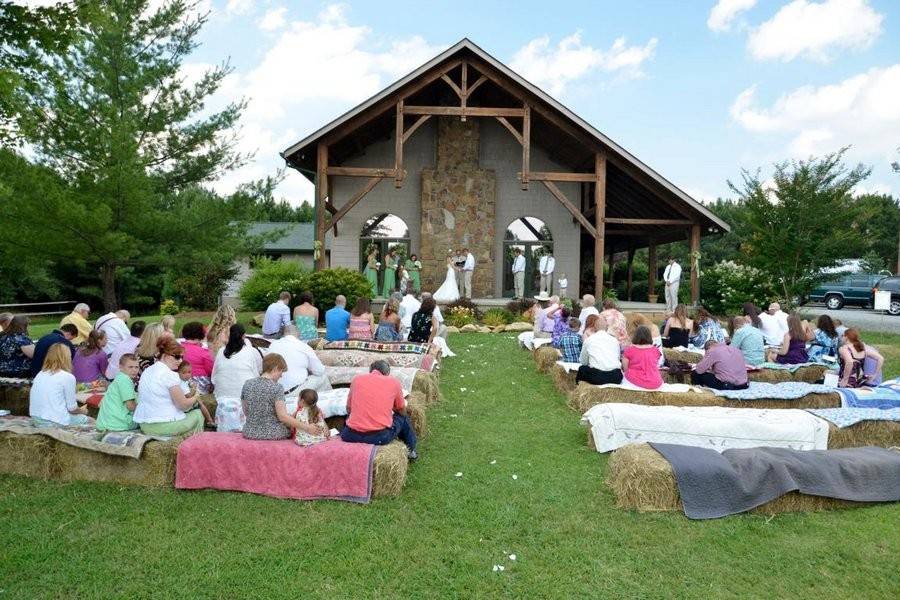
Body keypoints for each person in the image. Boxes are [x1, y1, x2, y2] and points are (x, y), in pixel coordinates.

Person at [340, 361, 418, 459]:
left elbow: (349, 410)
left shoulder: (356, 380)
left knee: (350, 417)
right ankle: (411, 449)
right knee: (402, 417)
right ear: (387, 373)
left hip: (350, 435)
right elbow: (401, 409)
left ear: (370, 371)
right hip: (379, 437)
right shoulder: (394, 382)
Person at [134, 338, 205, 436]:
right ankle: (192, 447)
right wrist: (196, 396)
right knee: (198, 414)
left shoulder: (147, 371)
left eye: (181, 357)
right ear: (165, 355)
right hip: (162, 426)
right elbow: (183, 405)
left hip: (144, 425)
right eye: (177, 357)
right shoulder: (170, 375)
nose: (180, 360)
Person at [211, 324, 263, 432]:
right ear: (244, 336)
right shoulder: (251, 351)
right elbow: (258, 374)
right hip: (243, 398)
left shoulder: (221, 351)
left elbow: (213, 378)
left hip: (221, 397)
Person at [28, 343, 89, 426]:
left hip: (36, 418)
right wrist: (83, 411)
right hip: (54, 420)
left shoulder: (40, 374)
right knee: (89, 420)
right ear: (67, 358)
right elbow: (72, 409)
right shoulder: (67, 377)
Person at [267, 325, 329, 397]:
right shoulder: (303, 346)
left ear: (284, 334)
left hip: (274, 391)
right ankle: (325, 402)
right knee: (322, 377)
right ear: (298, 334)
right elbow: (319, 370)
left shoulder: (273, 345)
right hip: (294, 391)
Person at [95, 353, 140, 432]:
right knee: (146, 420)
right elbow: (130, 406)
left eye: (136, 367)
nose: (134, 370)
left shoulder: (118, 377)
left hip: (104, 423)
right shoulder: (125, 379)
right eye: (130, 367)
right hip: (118, 424)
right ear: (121, 367)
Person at [576, 316, 624, 385]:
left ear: (594, 328)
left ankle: (577, 391)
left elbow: (583, 361)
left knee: (582, 369)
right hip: (616, 377)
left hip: (597, 376)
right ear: (607, 327)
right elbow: (618, 358)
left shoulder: (589, 340)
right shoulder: (615, 340)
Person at [621, 326, 663, 390]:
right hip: (655, 382)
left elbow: (625, 369)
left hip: (635, 380)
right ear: (649, 336)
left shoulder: (629, 350)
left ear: (636, 336)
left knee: (624, 376)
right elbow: (657, 364)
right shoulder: (655, 350)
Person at [180, 321, 214, 394]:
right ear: (201, 335)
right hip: (199, 383)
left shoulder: (179, 348)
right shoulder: (204, 352)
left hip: (182, 381)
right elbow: (211, 370)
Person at [177, 361, 214, 426]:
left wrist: (192, 386)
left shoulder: (185, 380)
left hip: (188, 399)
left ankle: (209, 420)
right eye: (184, 373)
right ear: (178, 373)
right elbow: (188, 396)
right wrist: (194, 390)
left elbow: (190, 385)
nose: (187, 375)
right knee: (200, 404)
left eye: (189, 372)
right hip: (186, 403)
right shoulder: (181, 382)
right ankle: (209, 420)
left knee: (200, 402)